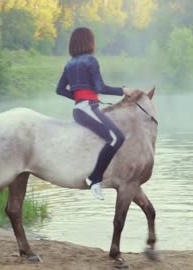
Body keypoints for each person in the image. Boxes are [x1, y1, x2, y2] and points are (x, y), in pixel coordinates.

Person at [56, 27, 132, 200]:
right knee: (116, 138)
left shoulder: (69, 63)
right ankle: (94, 177)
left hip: (80, 109)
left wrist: (78, 97)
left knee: (113, 136)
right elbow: (100, 87)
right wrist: (123, 90)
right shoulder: (91, 60)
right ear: (88, 42)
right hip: (87, 109)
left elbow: (60, 90)